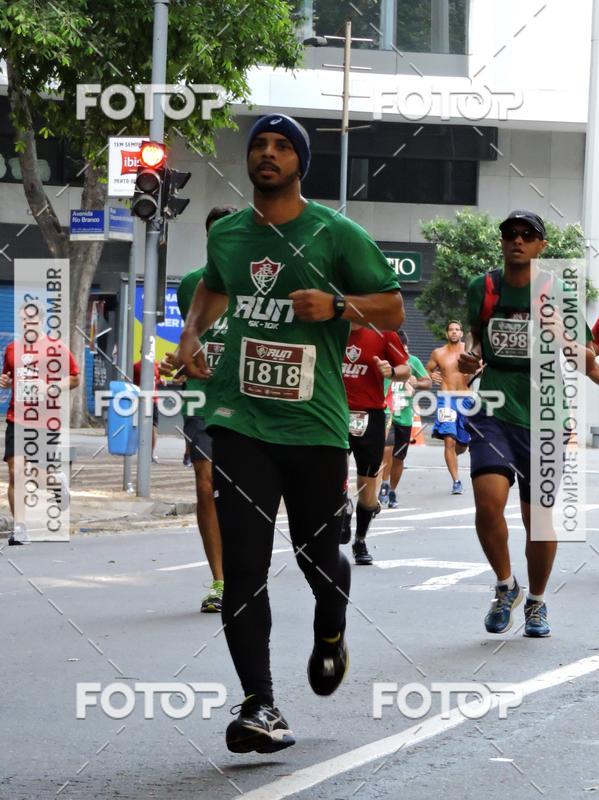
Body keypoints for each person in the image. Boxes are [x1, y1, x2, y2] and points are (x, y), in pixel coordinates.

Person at [177, 113, 404, 753]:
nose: (268, 154)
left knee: (316, 554)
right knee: (244, 567)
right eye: (259, 145)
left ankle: (330, 630)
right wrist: (192, 333)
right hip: (241, 421)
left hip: (314, 426)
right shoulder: (229, 235)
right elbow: (212, 289)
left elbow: (392, 306)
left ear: (301, 162)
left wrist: (338, 306)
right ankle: (260, 704)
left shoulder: (334, 232)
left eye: (282, 146)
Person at [459, 209, 599, 638]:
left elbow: (586, 360)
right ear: (502, 241)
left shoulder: (559, 292)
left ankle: (536, 601)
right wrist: (471, 356)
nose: (517, 240)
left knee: (538, 518)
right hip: (494, 406)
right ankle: (506, 586)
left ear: (541, 245)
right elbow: (476, 336)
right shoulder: (483, 287)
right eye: (510, 233)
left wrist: (560, 334)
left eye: (527, 234)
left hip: (545, 414)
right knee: (488, 503)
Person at [162, 205, 237, 613]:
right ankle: (220, 582)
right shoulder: (193, 284)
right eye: (216, 235)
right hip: (203, 399)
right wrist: (179, 362)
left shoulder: (258, 283)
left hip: (249, 403)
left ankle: (246, 574)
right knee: (205, 485)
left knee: (242, 492)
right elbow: (191, 339)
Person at [1, 302, 80, 545]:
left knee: (34, 474)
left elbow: (75, 378)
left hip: (45, 421)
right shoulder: (12, 349)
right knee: (15, 472)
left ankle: (56, 483)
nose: (28, 325)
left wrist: (51, 387)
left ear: (42, 322)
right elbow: (8, 376)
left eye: (33, 321)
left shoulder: (56, 347)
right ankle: (20, 528)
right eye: (24, 320)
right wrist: (5, 381)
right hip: (17, 417)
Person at [341, 323, 409, 563]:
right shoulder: (330, 326)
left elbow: (405, 369)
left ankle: (360, 540)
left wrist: (391, 371)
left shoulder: (384, 332)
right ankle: (342, 507)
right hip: (333, 412)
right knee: (330, 471)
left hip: (370, 415)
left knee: (367, 484)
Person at [379, 330, 432, 508]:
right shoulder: (383, 361)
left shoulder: (413, 361)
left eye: (403, 348)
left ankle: (392, 490)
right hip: (386, 411)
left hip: (405, 415)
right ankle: (384, 484)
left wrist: (417, 383)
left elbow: (428, 382)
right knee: (387, 448)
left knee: (399, 457)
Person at [426, 320, 472, 495]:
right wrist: (431, 375)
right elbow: (427, 370)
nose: (454, 332)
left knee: (463, 444)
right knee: (449, 441)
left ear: (461, 333)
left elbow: (481, 367)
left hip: (466, 399)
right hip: (446, 399)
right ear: (447, 334)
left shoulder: (469, 351)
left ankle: (453, 455)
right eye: (451, 330)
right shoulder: (438, 353)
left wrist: (477, 370)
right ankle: (456, 481)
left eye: (457, 329)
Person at [132, 357, 164, 463]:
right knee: (148, 427)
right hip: (143, 400)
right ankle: (148, 454)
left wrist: (161, 381)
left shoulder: (156, 365)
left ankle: (149, 454)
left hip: (151, 400)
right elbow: (134, 383)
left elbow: (157, 379)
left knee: (152, 427)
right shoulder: (137, 366)